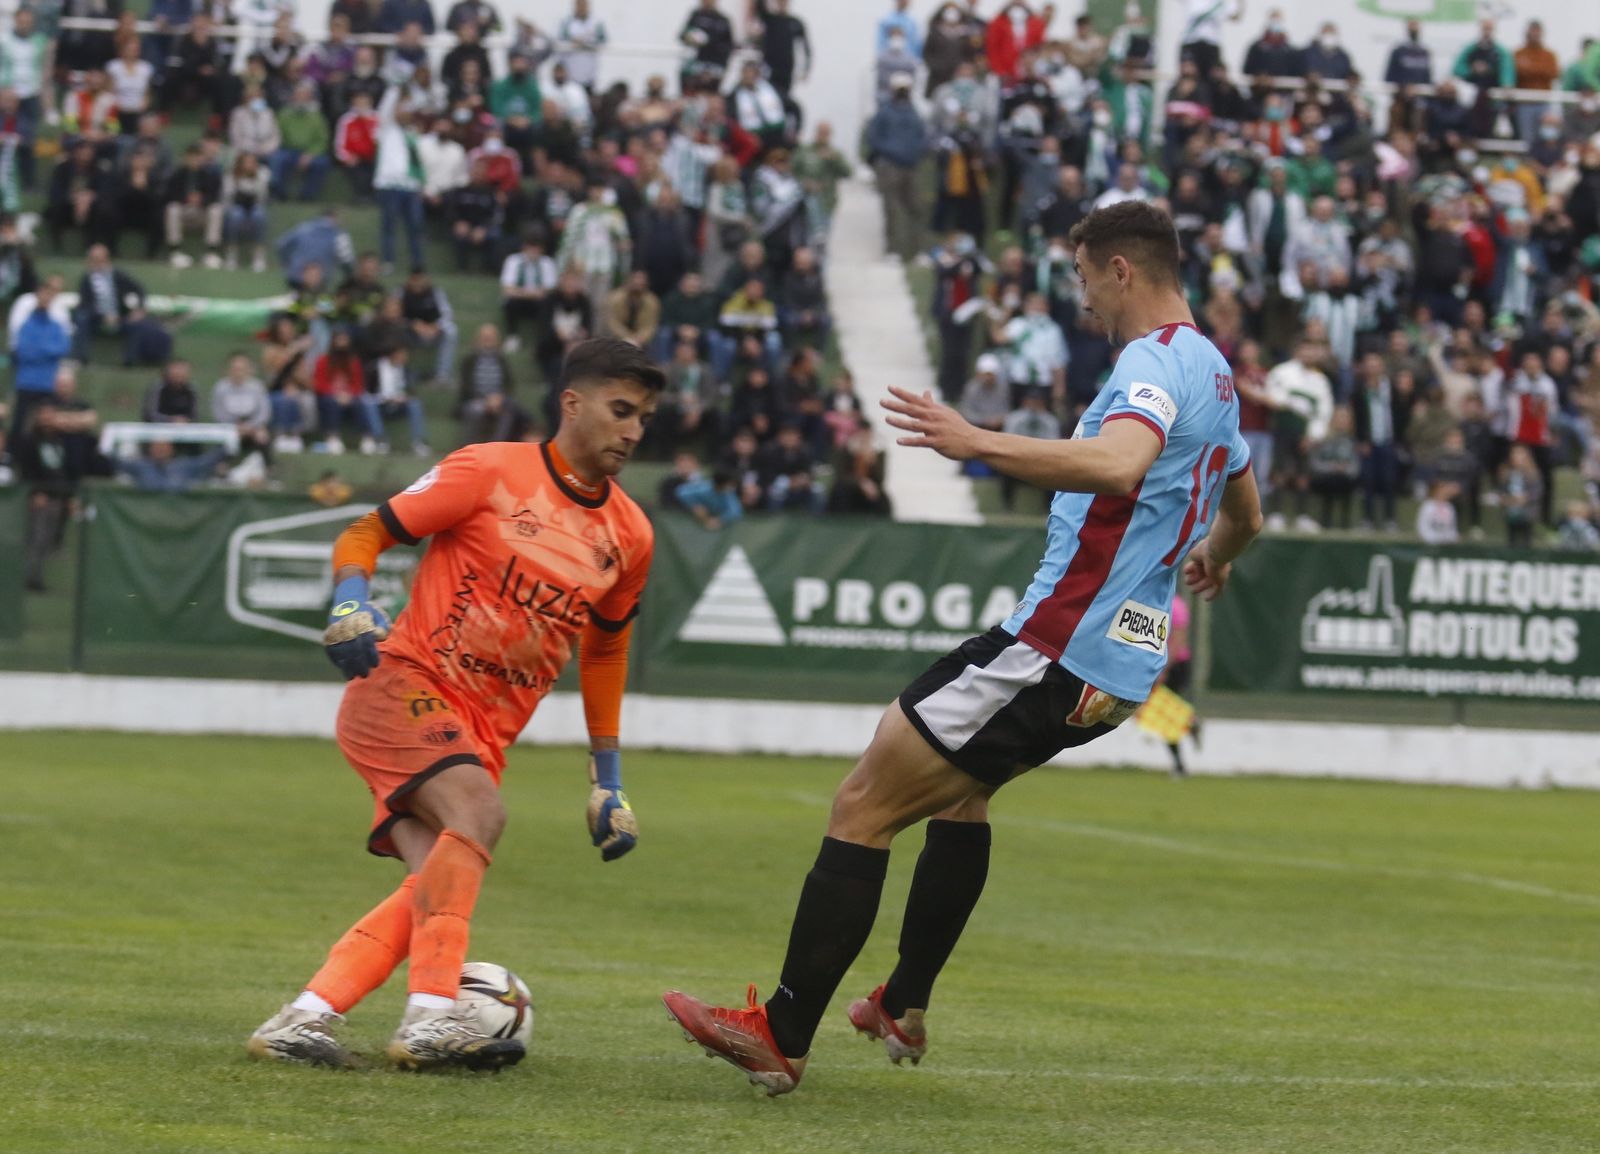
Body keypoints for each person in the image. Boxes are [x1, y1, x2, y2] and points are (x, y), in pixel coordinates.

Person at [664, 200, 1262, 1096]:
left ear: (1120, 270)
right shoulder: (1214, 372)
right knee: (961, 796)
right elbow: (1248, 506)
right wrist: (1215, 555)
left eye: (1081, 275)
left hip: (1057, 644)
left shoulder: (1151, 361)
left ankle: (779, 1034)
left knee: (864, 800)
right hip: (1119, 667)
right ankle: (902, 1003)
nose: (1082, 296)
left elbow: (1116, 465)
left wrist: (971, 439)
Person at [247, 338, 662, 1072]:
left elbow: (604, 652)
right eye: (620, 410)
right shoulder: (491, 470)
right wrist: (350, 601)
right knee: (481, 816)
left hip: (479, 734)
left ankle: (302, 1018)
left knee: (432, 885)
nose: (633, 432)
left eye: (644, 418)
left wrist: (608, 778)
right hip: (401, 687)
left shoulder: (629, 534)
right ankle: (433, 1016)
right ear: (573, 403)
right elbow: (366, 530)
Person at [866, 73, 928, 262]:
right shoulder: (885, 112)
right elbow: (873, 137)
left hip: (910, 166)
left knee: (916, 208)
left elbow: (922, 136)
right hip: (889, 166)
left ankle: (916, 250)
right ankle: (892, 250)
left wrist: (916, 152)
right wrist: (891, 151)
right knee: (891, 210)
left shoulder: (914, 112)